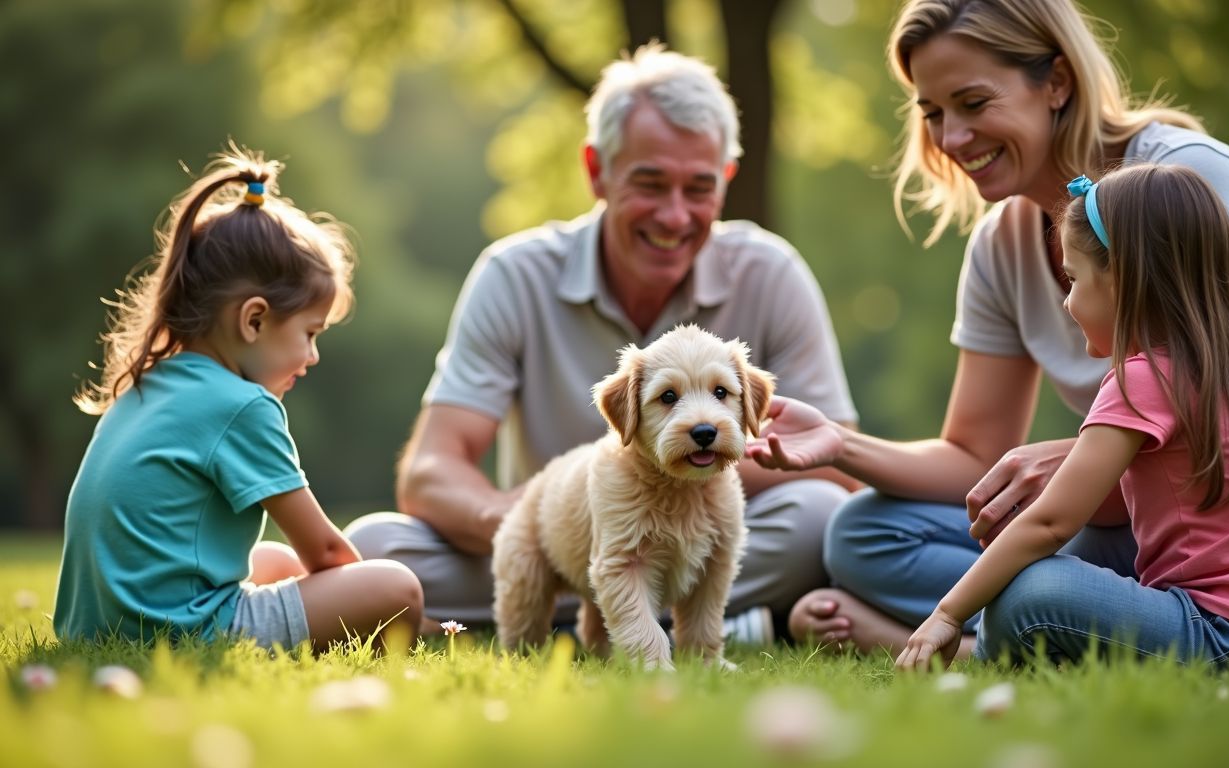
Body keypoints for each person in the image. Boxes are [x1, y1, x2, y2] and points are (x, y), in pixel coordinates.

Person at [750, 0, 1229, 656]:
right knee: (866, 532)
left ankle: (982, 636)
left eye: (973, 103)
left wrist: (1072, 468)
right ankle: (1039, 623)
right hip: (1157, 537)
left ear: (1057, 81)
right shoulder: (1001, 244)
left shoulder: (1188, 187)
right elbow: (975, 455)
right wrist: (839, 445)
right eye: (933, 114)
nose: (950, 139)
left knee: (1036, 579)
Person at [344, 44, 860, 638]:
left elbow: (834, 466)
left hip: (709, 547)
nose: (673, 216)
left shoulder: (772, 271)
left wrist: (691, 479)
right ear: (597, 170)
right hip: (546, 546)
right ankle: (617, 611)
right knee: (377, 545)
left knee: (821, 518)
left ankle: (672, 618)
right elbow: (429, 470)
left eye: (699, 187)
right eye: (649, 183)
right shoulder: (514, 273)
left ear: (727, 179)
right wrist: (536, 529)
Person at [892, 163, 1229, 668]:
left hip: (1228, 635)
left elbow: (1051, 521)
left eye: (1073, 279)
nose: (1067, 300)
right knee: (1075, 552)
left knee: (1033, 589)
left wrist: (947, 612)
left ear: (1121, 279)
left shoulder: (1144, 379)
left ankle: (980, 667)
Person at [54, 147, 425, 652]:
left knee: (276, 563)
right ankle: (376, 664)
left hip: (97, 630)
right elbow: (327, 551)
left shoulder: (150, 384)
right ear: (253, 320)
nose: (312, 357)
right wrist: (390, 614)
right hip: (181, 633)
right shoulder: (241, 405)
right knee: (395, 587)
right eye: (310, 334)